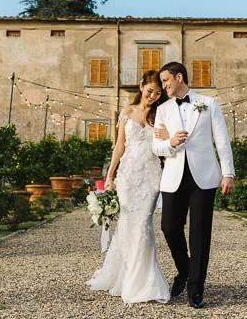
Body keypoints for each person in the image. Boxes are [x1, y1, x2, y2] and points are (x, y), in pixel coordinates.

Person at [152, 61, 235, 309]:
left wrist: (228, 173)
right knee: (168, 227)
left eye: (166, 80)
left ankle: (196, 289)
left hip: (205, 177)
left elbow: (222, 140)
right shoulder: (163, 109)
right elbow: (156, 146)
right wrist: (171, 143)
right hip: (173, 176)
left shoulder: (209, 103)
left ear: (179, 77)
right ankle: (184, 270)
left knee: (199, 234)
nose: (163, 85)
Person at [87, 70, 170, 304]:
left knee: (144, 225)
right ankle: (123, 277)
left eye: (157, 93)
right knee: (127, 225)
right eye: (150, 90)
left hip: (151, 175)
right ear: (141, 86)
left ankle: (143, 282)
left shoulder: (160, 113)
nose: (153, 96)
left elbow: (166, 143)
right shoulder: (126, 112)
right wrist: (110, 175)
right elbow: (119, 146)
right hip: (129, 176)